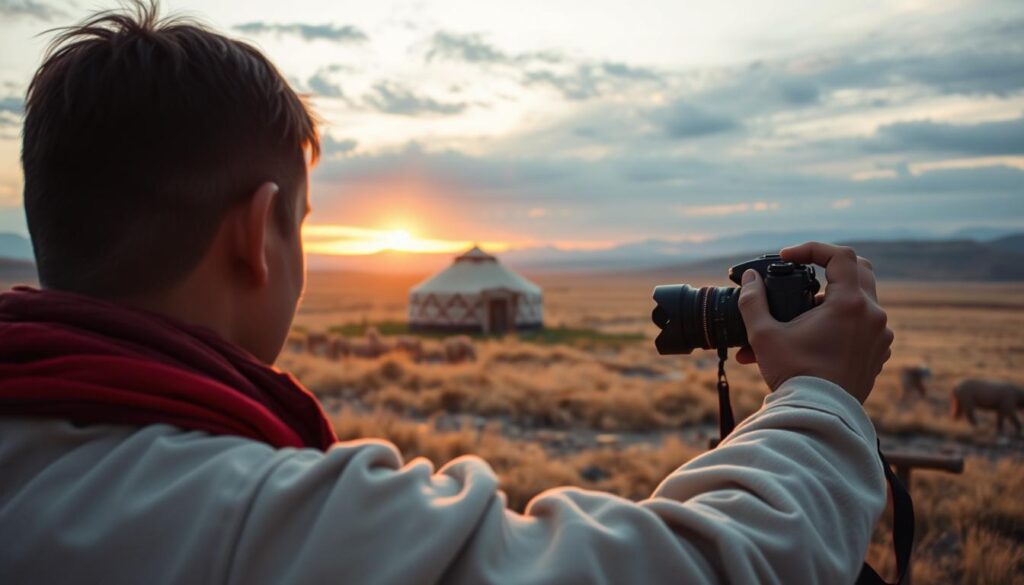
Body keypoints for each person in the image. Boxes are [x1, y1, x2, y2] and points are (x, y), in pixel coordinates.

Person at [0, 3, 894, 584]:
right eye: (302, 223)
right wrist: (818, 397)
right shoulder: (261, 524)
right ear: (257, 234)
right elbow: (706, 570)